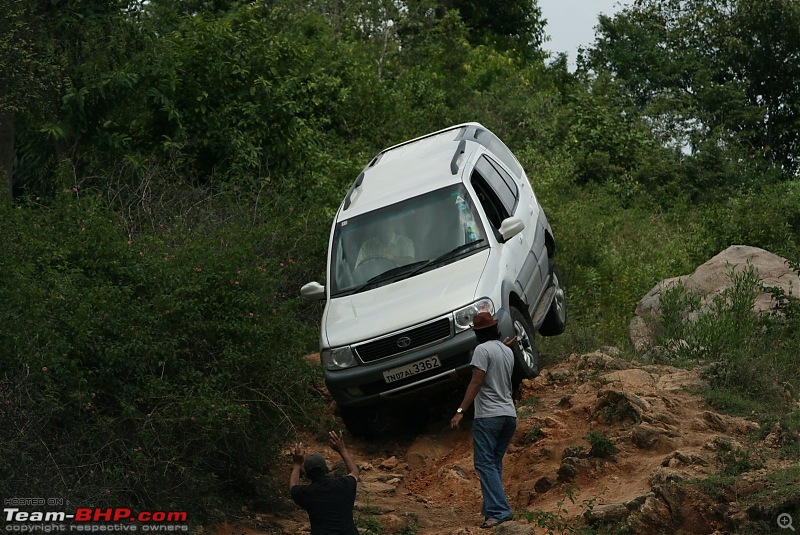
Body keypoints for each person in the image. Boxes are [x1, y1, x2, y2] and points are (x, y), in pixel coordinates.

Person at [451, 311, 517, 529]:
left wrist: (461, 409)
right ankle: (492, 509)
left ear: (477, 333)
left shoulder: (481, 350)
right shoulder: (506, 351)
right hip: (509, 415)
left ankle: (499, 511)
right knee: (494, 463)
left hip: (488, 416)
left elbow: (476, 382)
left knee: (484, 463)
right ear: (495, 328)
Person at [289, 430, 360, 535]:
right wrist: (342, 449)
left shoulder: (307, 493)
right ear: (327, 469)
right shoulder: (344, 485)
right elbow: (354, 472)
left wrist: (297, 464)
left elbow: (293, 486)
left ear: (307, 475)